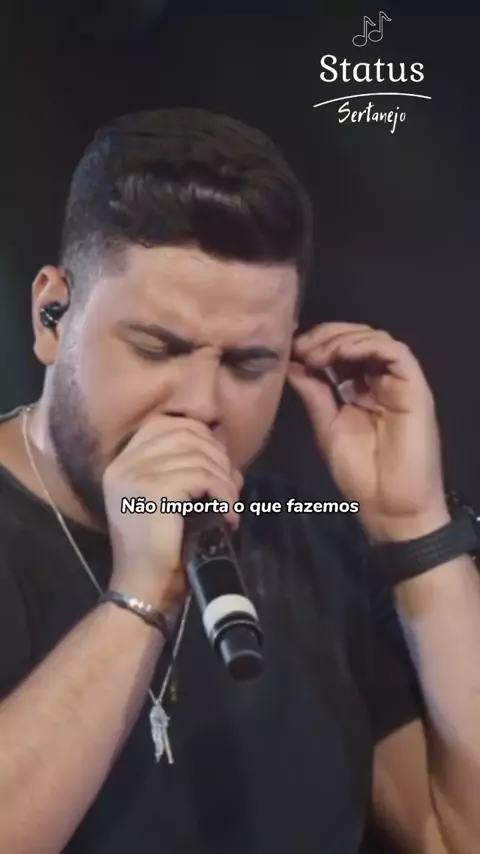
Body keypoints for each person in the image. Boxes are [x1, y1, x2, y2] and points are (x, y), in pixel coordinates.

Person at [0, 107, 479, 854]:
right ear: (50, 315)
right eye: (158, 348)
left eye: (247, 363)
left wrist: (414, 527)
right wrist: (139, 599)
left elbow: (459, 835)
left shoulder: (313, 549)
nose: (201, 403)